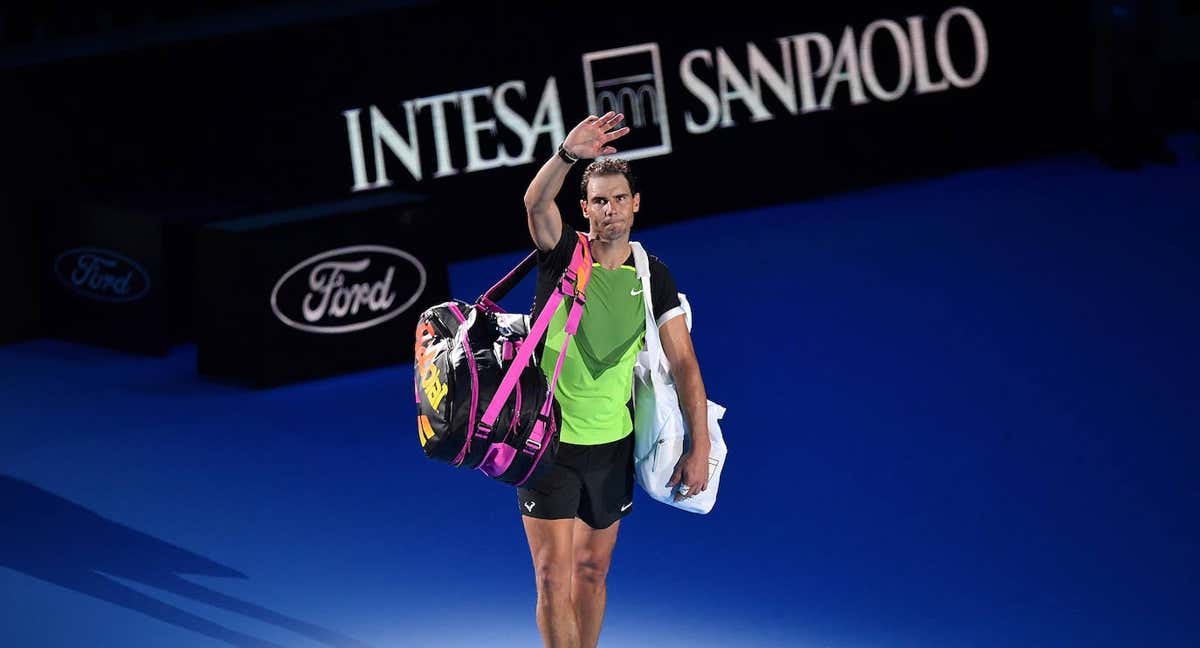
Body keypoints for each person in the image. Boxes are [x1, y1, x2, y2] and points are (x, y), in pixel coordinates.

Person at [519, 111, 713, 648]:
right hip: (547, 444)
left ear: (635, 204)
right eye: (599, 200)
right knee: (552, 578)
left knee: (591, 574)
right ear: (584, 210)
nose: (610, 209)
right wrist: (565, 155)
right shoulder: (562, 256)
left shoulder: (653, 275)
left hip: (611, 448)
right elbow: (536, 204)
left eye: (619, 198)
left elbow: (685, 367)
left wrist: (698, 449)